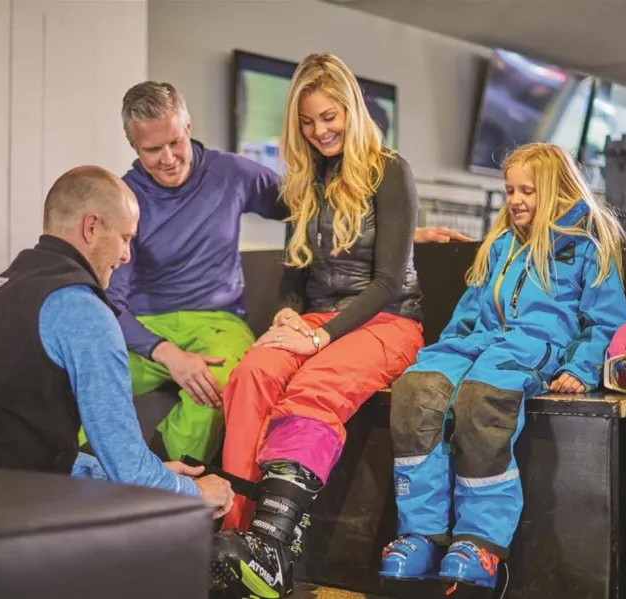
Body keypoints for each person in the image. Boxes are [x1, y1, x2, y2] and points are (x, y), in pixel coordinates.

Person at [100, 80, 473, 466]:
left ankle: (170, 482)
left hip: (217, 322)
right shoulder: (124, 200)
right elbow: (111, 301)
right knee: (89, 374)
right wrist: (167, 353)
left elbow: (312, 210)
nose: (168, 158)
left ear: (188, 126)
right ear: (134, 146)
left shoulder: (231, 172)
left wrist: (395, 231)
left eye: (175, 142)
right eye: (152, 150)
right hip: (147, 325)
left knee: (220, 381)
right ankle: (90, 470)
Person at [0, 165, 233, 516]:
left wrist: (142, 475)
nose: (126, 255)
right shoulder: (81, 307)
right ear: (91, 227)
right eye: (125, 239)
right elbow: (132, 471)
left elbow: (22, 446)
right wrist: (195, 490)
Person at [209, 53, 426, 598]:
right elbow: (294, 273)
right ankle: (235, 539)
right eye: (307, 122)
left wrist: (318, 336)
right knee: (251, 373)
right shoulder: (306, 179)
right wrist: (287, 314)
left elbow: (389, 281)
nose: (319, 131)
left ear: (351, 110)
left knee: (314, 387)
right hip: (317, 319)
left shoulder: (390, 169)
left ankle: (271, 545)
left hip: (386, 320)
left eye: (329, 117)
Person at [379, 142, 626, 590]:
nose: (515, 200)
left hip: (535, 349)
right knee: (416, 389)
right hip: (483, 343)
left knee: (483, 399)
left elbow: (607, 323)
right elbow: (469, 311)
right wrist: (446, 354)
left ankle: (480, 543)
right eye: (510, 190)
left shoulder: (586, 246)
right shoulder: (501, 244)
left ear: (555, 191)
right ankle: (421, 533)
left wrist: (582, 367)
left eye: (527, 191)